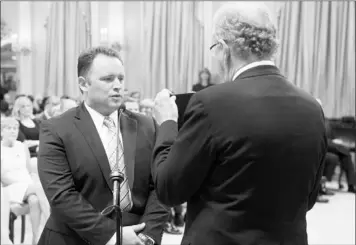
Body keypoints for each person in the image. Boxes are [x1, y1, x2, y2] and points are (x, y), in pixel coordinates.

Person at [151, 2, 327, 245]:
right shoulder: (312, 108)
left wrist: (167, 123)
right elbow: (308, 199)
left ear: (224, 48)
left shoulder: (210, 103)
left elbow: (169, 190)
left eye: (214, 48)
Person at [37, 46, 169, 245]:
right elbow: (62, 195)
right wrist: (114, 236)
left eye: (121, 79)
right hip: (75, 238)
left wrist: (147, 236)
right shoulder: (56, 129)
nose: (117, 85)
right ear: (83, 84)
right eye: (108, 79)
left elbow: (160, 187)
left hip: (137, 238)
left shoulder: (147, 125)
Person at [1, 117, 46, 244]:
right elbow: (2, 178)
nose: (13, 131)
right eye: (8, 128)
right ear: (1, 132)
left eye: (15, 128)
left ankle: (36, 239)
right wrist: (24, 184)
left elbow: (28, 171)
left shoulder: (22, 146)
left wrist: (28, 183)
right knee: (40, 188)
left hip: (27, 187)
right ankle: (56, 229)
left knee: (35, 200)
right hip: (9, 188)